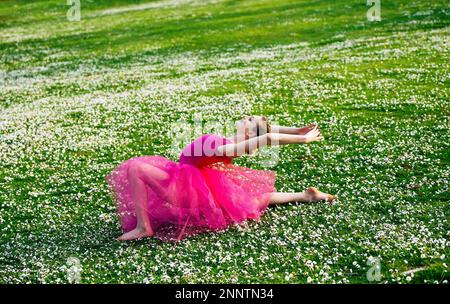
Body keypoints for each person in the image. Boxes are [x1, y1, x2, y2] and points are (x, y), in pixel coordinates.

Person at [106, 115, 336, 242]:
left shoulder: (228, 148)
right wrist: (295, 130)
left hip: (184, 186)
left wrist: (301, 140)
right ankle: (305, 195)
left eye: (249, 119)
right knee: (250, 201)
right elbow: (266, 132)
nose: (246, 116)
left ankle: (143, 227)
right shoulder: (233, 141)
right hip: (191, 179)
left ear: (248, 133)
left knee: (136, 168)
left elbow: (265, 137)